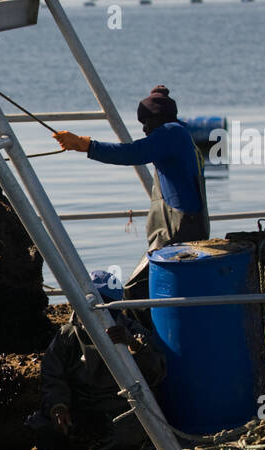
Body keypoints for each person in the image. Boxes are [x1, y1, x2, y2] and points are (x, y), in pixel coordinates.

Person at [53, 85, 208, 306]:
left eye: (146, 122)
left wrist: (86, 146)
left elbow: (132, 153)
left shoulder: (170, 134)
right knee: (163, 286)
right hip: (189, 224)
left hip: (179, 230)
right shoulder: (182, 133)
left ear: (159, 117)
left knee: (138, 289)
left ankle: (140, 331)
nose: (145, 129)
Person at [26, 272, 167, 450]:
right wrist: (58, 406)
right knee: (42, 425)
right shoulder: (67, 337)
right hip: (81, 408)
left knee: (130, 430)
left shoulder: (131, 332)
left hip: (120, 409)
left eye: (106, 305)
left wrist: (134, 346)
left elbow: (157, 372)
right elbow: (52, 375)